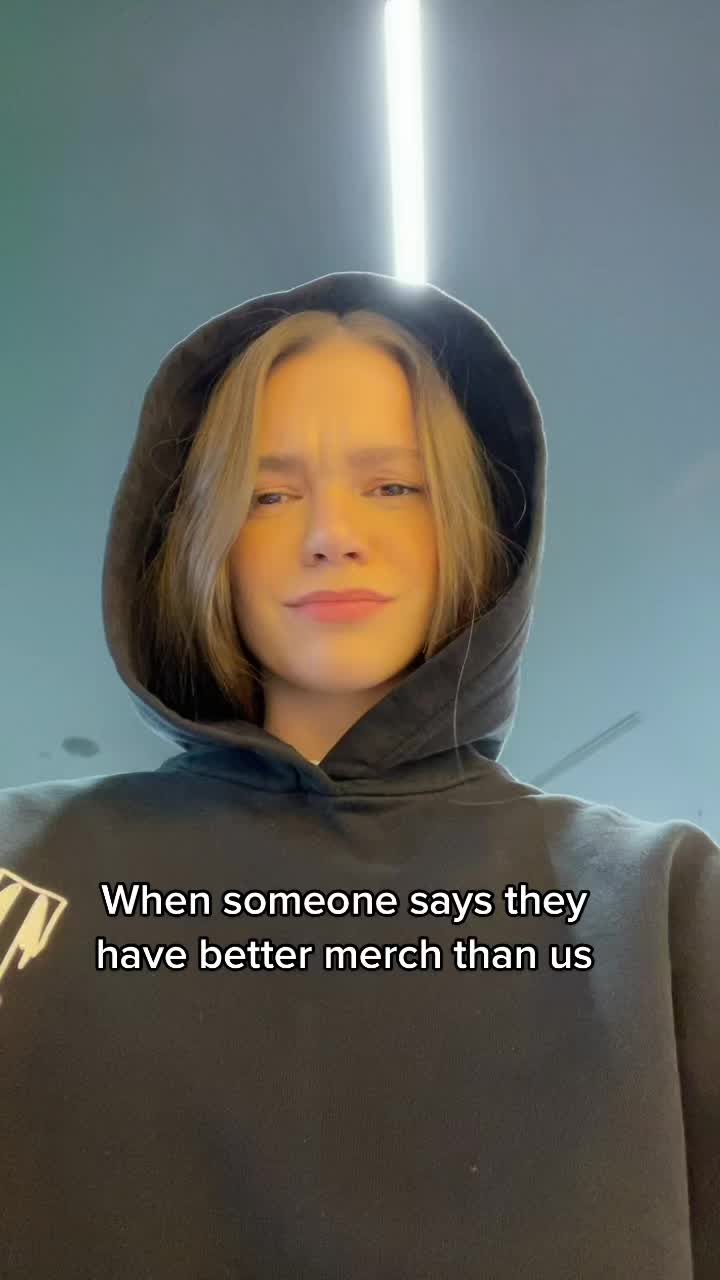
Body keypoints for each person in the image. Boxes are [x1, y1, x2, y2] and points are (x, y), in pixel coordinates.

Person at [0, 269, 717, 1279]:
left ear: (469, 521)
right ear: (203, 538)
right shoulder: (22, 873)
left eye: (393, 486)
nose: (332, 534)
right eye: (270, 493)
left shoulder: (665, 908)